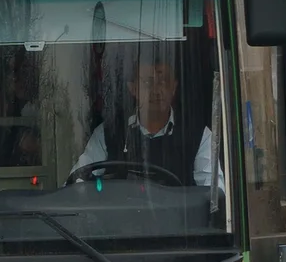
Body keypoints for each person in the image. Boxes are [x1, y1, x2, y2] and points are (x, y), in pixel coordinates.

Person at [71, 51, 218, 188]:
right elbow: (77, 183)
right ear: (133, 88)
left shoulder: (199, 136)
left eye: (163, 82)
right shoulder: (109, 133)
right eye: (148, 82)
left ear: (174, 87)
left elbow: (214, 193)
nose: (156, 90)